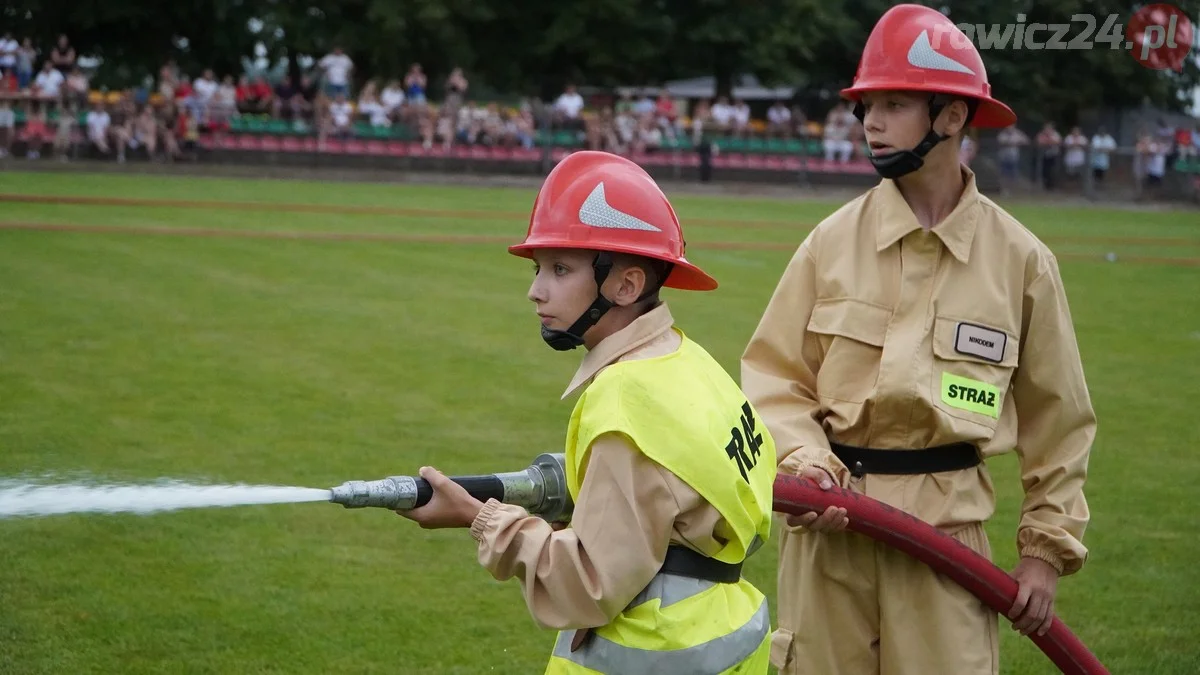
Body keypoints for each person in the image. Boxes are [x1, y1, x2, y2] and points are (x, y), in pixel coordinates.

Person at [740, 5, 1097, 675]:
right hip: (829, 536)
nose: (870, 121)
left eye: (894, 103)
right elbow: (773, 378)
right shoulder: (829, 245)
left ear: (953, 116)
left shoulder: (1021, 261)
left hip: (946, 547)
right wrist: (803, 459)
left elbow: (1061, 421)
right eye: (866, 105)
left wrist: (1044, 551)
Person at [401, 150, 778, 674]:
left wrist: (478, 517)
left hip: (649, 651)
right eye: (539, 268)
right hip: (717, 631)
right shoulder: (688, 361)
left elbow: (587, 582)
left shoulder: (625, 401)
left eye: (559, 269)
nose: (535, 290)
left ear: (626, 285)